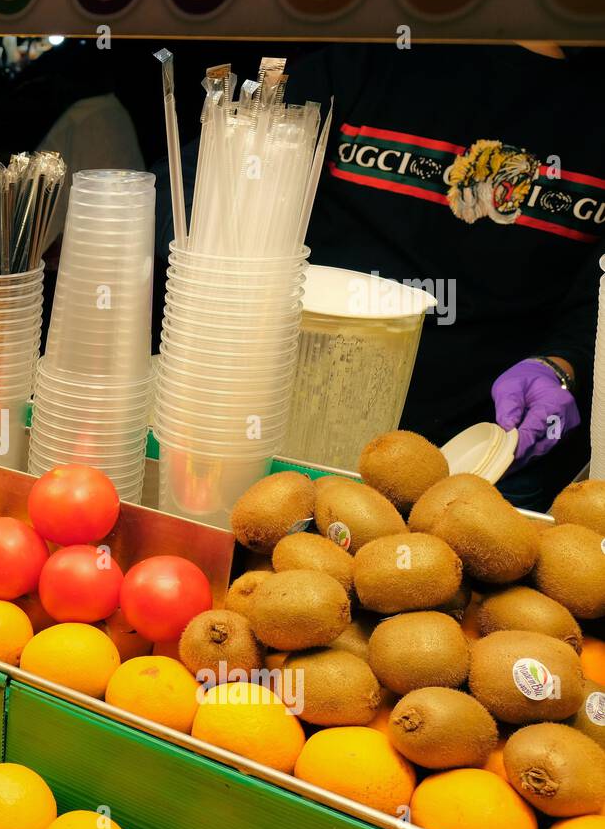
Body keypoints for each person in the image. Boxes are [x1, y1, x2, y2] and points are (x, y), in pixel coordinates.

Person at [159, 43, 604, 510]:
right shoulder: (367, 56)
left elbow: (596, 292)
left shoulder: (595, 104)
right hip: (293, 430)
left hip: (486, 458)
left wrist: (562, 365)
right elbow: (195, 195)